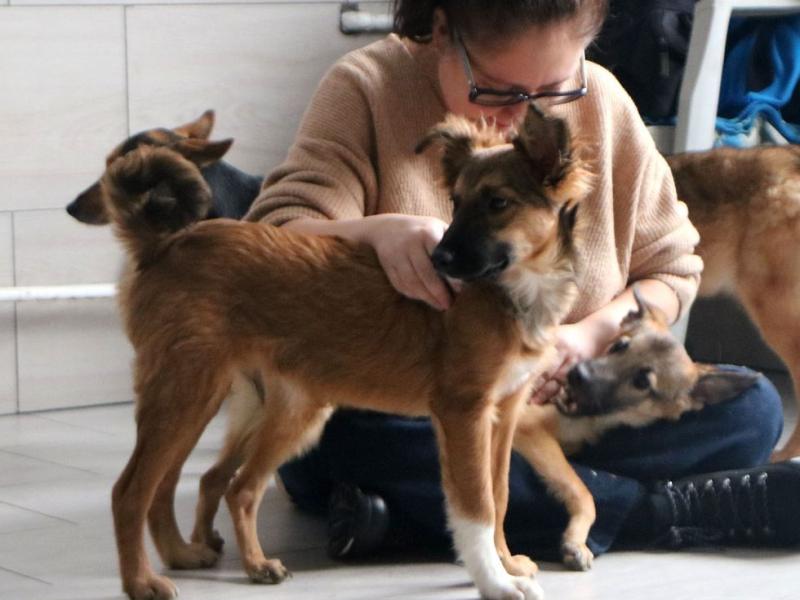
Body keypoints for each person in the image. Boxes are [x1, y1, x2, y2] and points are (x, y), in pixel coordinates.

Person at [245, 0, 800, 561]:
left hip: (564, 406)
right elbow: (273, 235)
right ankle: (659, 511)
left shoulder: (604, 103)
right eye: (496, 91)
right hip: (424, 408)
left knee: (752, 409)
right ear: (442, 31)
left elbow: (673, 269)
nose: (523, 117)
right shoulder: (367, 87)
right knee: (346, 434)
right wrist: (374, 233)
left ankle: (411, 520)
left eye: (555, 89)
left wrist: (584, 337)